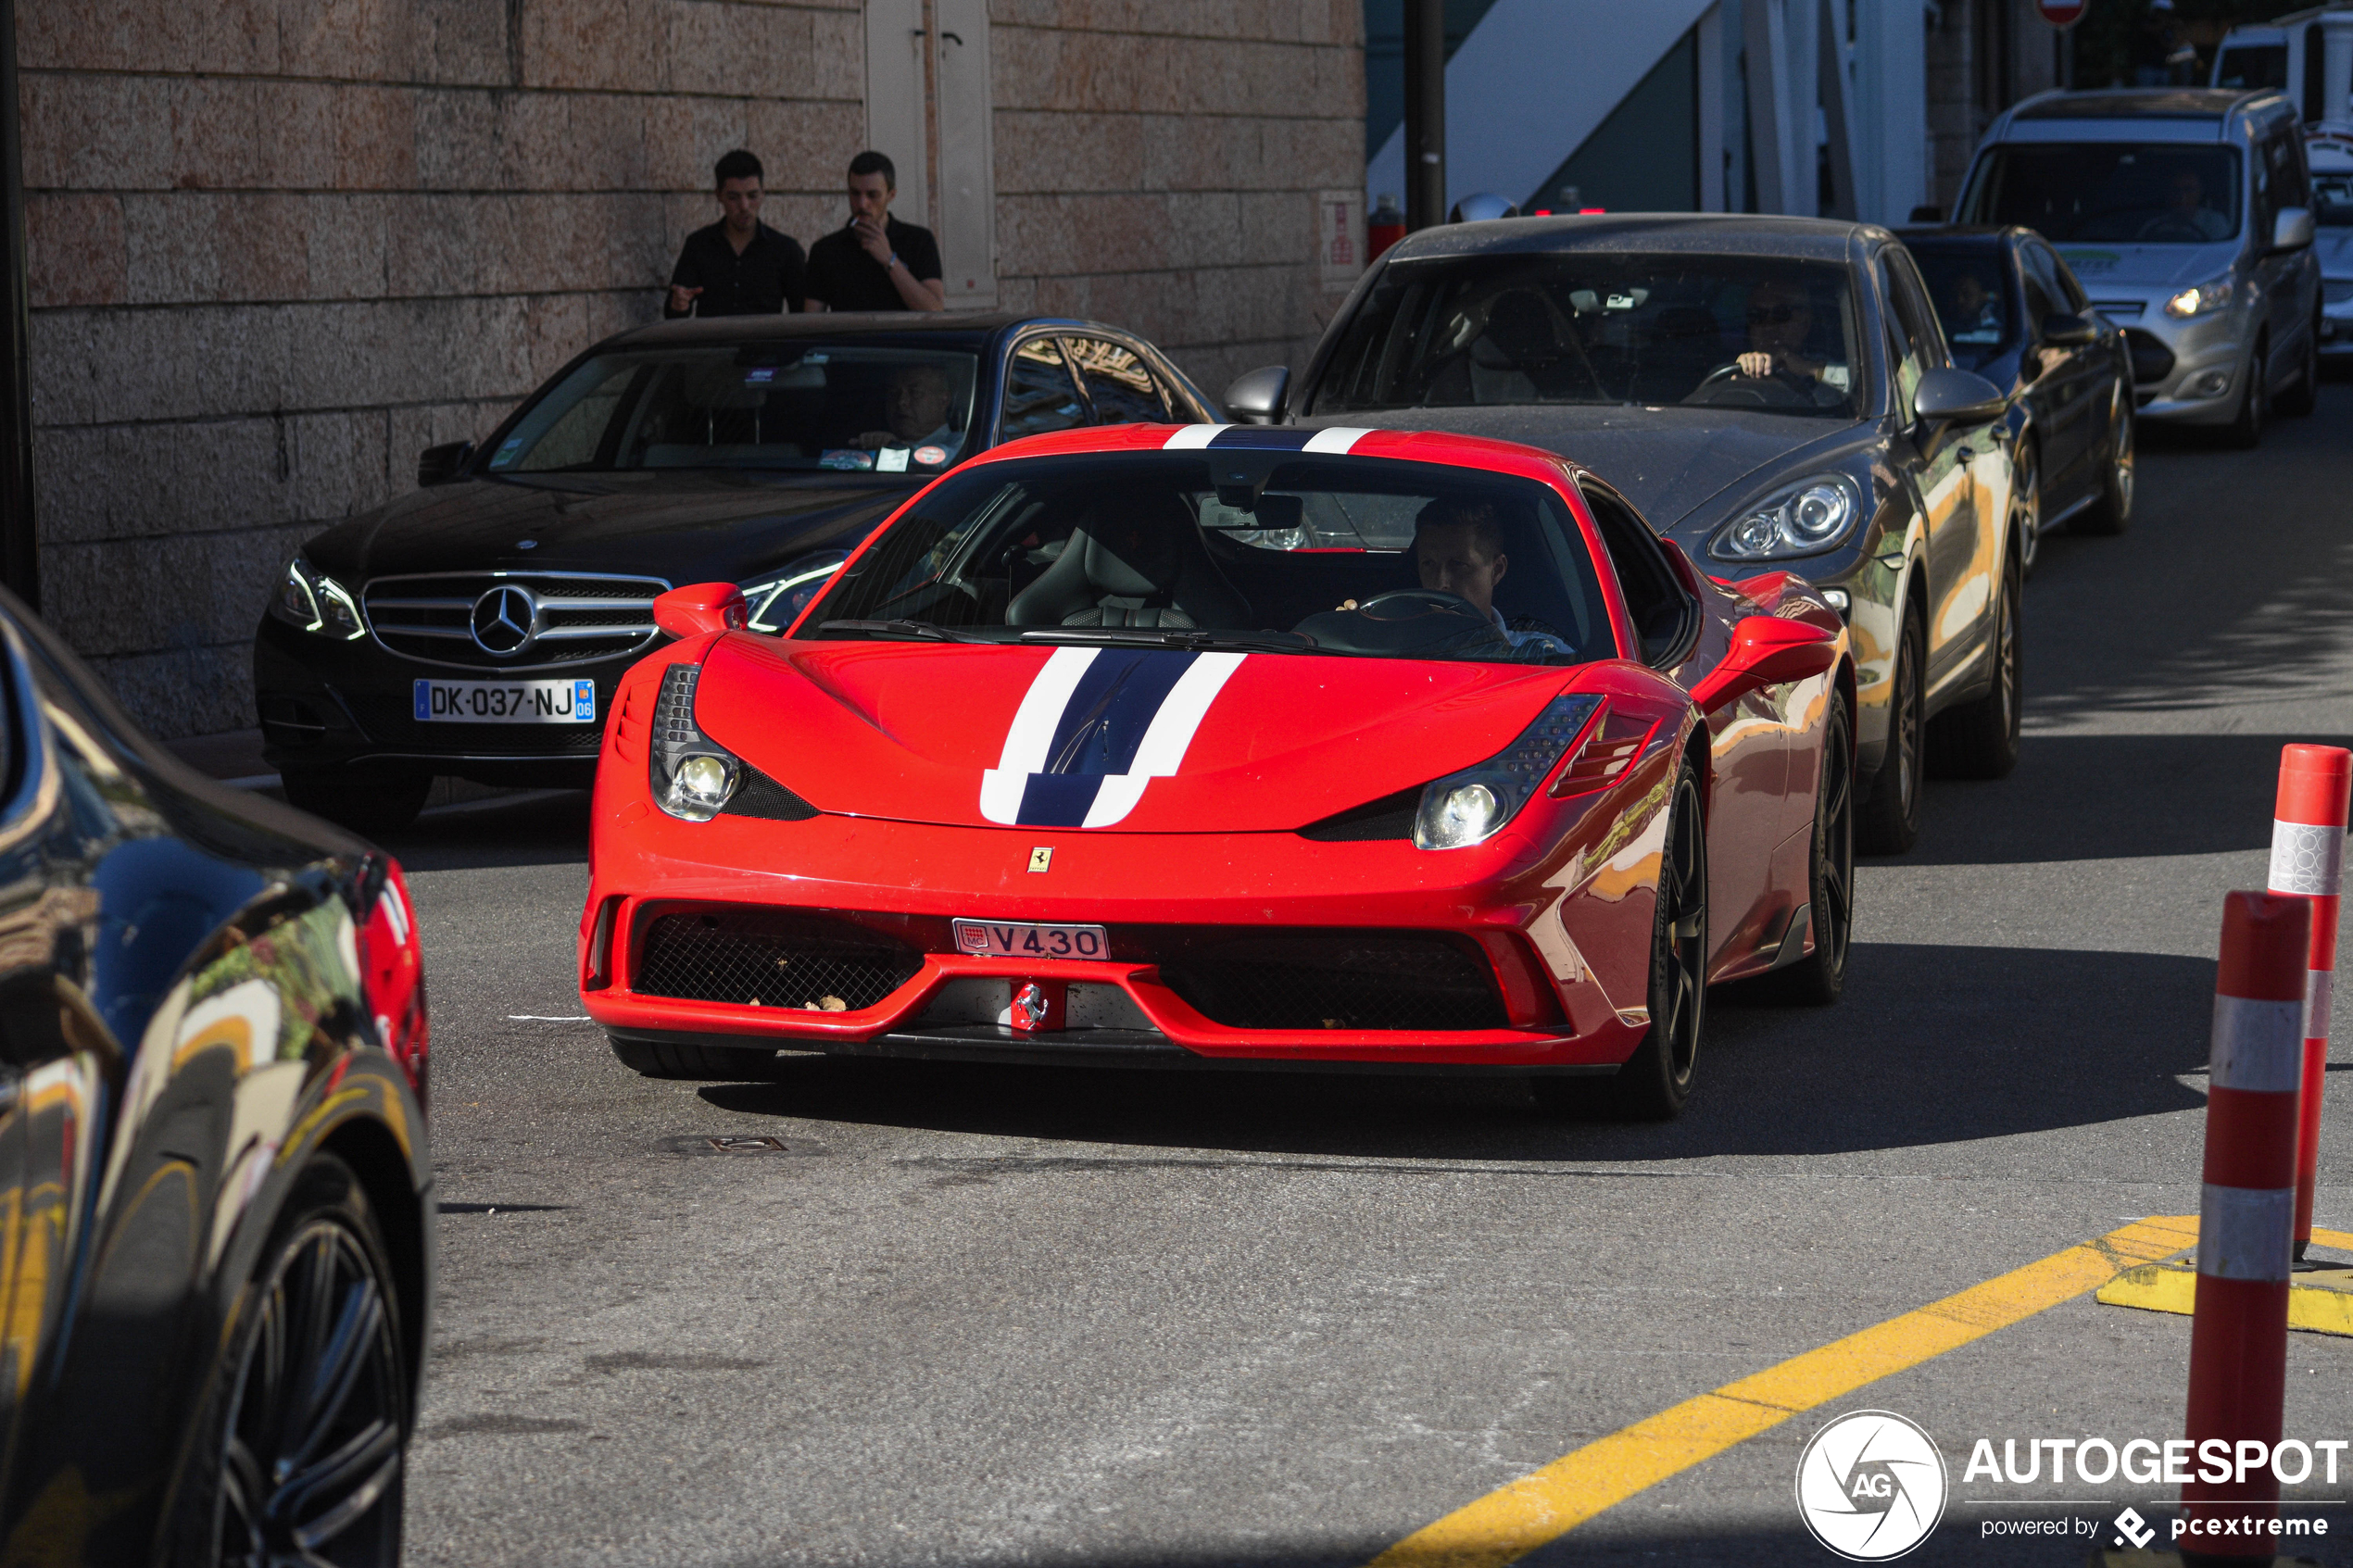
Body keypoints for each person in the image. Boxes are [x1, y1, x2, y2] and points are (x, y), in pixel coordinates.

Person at [1411, 498, 1574, 656]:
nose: (1441, 583)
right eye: (1428, 564)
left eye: (1458, 565)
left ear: (1496, 570)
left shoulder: (1543, 656)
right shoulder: (1394, 648)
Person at [665, 150, 805, 318]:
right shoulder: (699, 245)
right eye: (733, 197)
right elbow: (673, 313)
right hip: (713, 342)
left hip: (763, 343)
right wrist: (679, 304)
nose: (744, 206)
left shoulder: (785, 250)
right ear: (719, 195)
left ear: (763, 194)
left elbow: (802, 317)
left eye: (752, 196)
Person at [804, 151, 946, 313]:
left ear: (891, 195)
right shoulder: (825, 250)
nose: (862, 204)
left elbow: (934, 310)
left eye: (873, 195)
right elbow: (811, 320)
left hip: (902, 337)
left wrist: (890, 260)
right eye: (855, 193)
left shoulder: (919, 241)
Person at [850, 363, 960, 456]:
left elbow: (945, 464)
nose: (901, 401)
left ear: (943, 401)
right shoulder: (870, 446)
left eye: (915, 393)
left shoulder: (962, 444)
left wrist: (896, 448)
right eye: (893, 393)